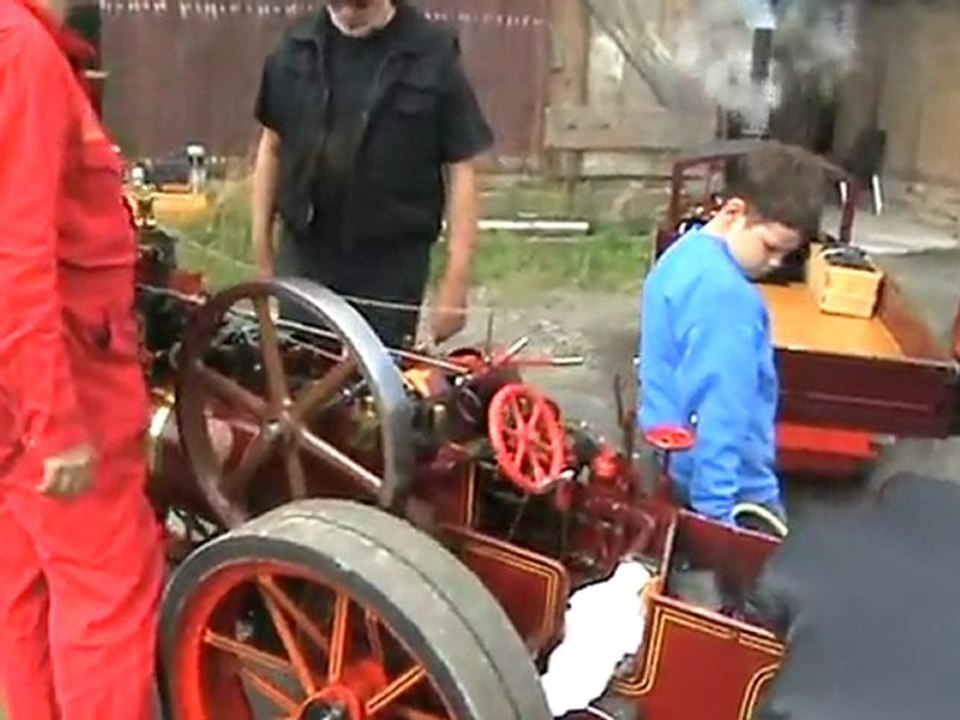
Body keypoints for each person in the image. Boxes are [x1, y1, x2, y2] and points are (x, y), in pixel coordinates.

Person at [0, 0, 166, 718]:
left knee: (26, 580)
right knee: (107, 590)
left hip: (25, 382)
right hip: (66, 376)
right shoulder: (22, 53)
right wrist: (55, 422)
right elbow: (16, 253)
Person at [251, 0, 494, 349]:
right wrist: (262, 256)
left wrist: (456, 280)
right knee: (298, 377)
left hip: (389, 265)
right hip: (307, 253)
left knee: (375, 390)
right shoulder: (295, 49)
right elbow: (271, 147)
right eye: (338, 4)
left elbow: (463, 168)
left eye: (360, 4)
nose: (348, 13)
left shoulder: (431, 55)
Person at [637, 142, 828, 534]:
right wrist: (719, 519)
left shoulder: (681, 254)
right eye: (770, 247)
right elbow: (721, 411)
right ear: (734, 211)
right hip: (734, 492)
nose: (774, 264)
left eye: (785, 256)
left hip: (668, 458)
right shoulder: (727, 298)